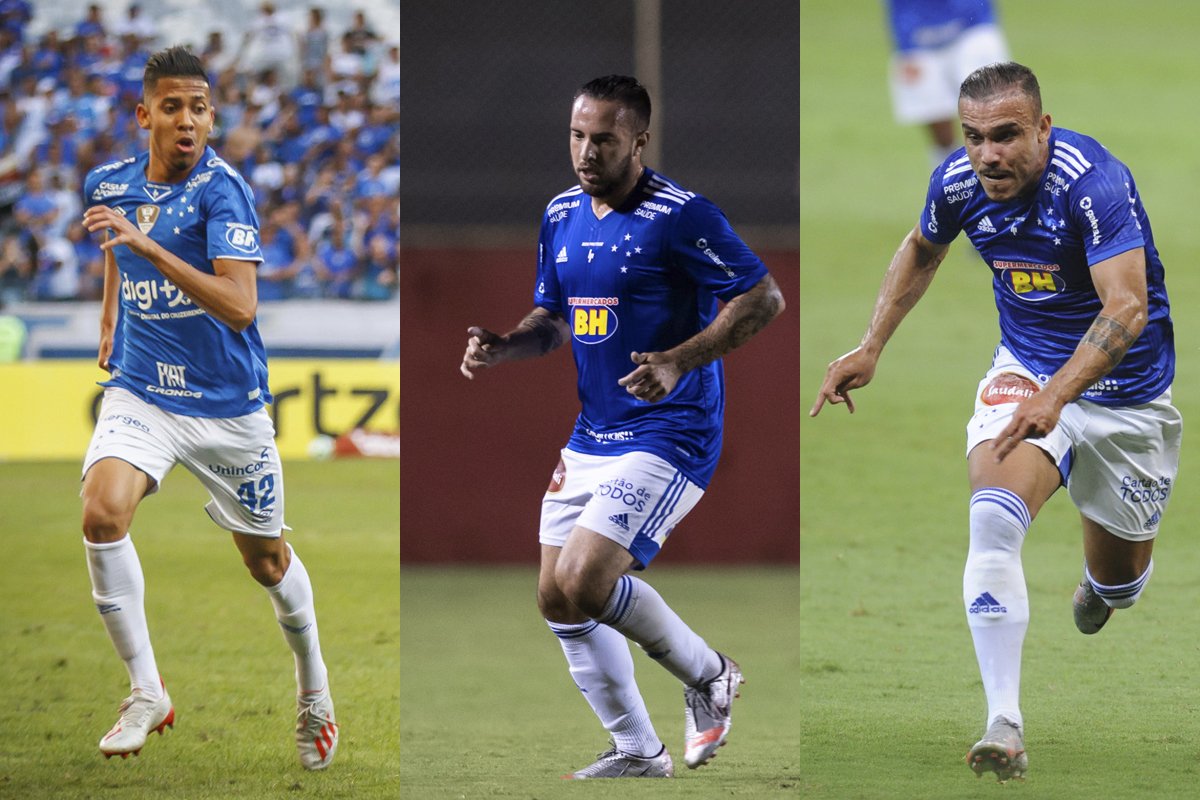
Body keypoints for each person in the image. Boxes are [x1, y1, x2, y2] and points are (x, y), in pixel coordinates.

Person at [811, 62, 1180, 782]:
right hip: (1027, 371)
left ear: (1043, 128)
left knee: (1121, 582)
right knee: (992, 520)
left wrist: (1060, 396)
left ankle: (1102, 586)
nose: (989, 155)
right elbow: (923, 247)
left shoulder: (1092, 184)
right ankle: (1003, 723)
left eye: (1007, 135)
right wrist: (871, 343)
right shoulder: (957, 182)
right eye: (975, 137)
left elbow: (1128, 307)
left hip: (1126, 396)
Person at [460, 75, 785, 779]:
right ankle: (638, 749)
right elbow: (553, 318)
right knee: (556, 596)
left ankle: (711, 675)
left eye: (604, 139)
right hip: (594, 433)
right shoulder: (561, 213)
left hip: (671, 430)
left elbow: (764, 297)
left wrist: (678, 360)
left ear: (640, 141)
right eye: (577, 135)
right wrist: (505, 345)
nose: (586, 151)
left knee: (584, 577)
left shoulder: (682, 216)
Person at [79, 45, 338, 770]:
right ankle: (146, 690)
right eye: (173, 107)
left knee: (267, 561)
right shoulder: (109, 183)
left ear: (212, 117)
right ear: (145, 116)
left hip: (227, 408)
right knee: (101, 512)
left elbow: (240, 304)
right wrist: (109, 315)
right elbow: (116, 246)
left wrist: (150, 247)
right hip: (142, 388)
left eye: (199, 108)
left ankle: (314, 685)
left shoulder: (224, 192)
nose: (187, 120)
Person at [885, 0, 1009, 167]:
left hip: (971, 28)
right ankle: (953, 175)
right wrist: (905, 47)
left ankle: (1007, 170)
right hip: (920, 37)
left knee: (990, 107)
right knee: (936, 118)